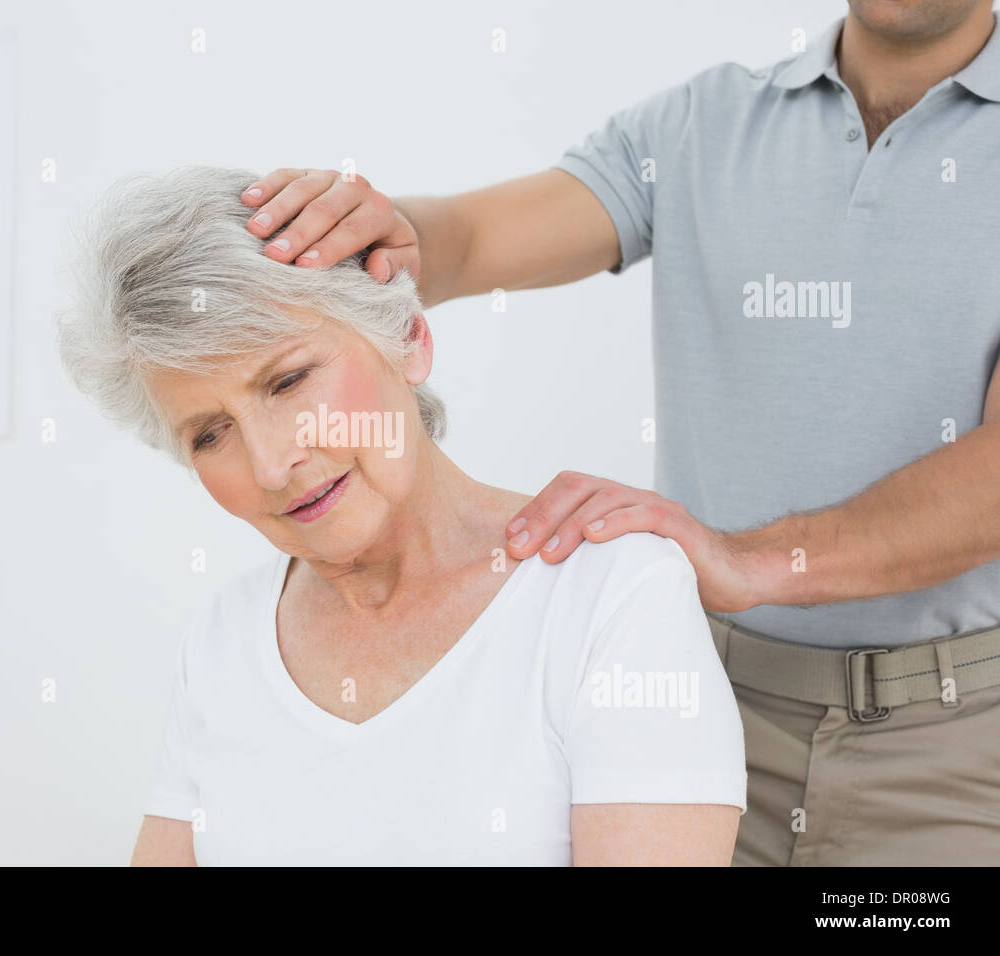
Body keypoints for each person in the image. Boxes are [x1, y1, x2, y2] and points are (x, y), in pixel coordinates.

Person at [238, 0, 1000, 865]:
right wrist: (391, 237)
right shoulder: (701, 123)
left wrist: (751, 560)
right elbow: (469, 238)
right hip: (698, 714)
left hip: (951, 745)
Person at [55, 165, 747, 866]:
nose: (270, 465)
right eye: (210, 433)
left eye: (288, 381)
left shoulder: (614, 597)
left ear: (409, 338)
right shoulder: (223, 639)